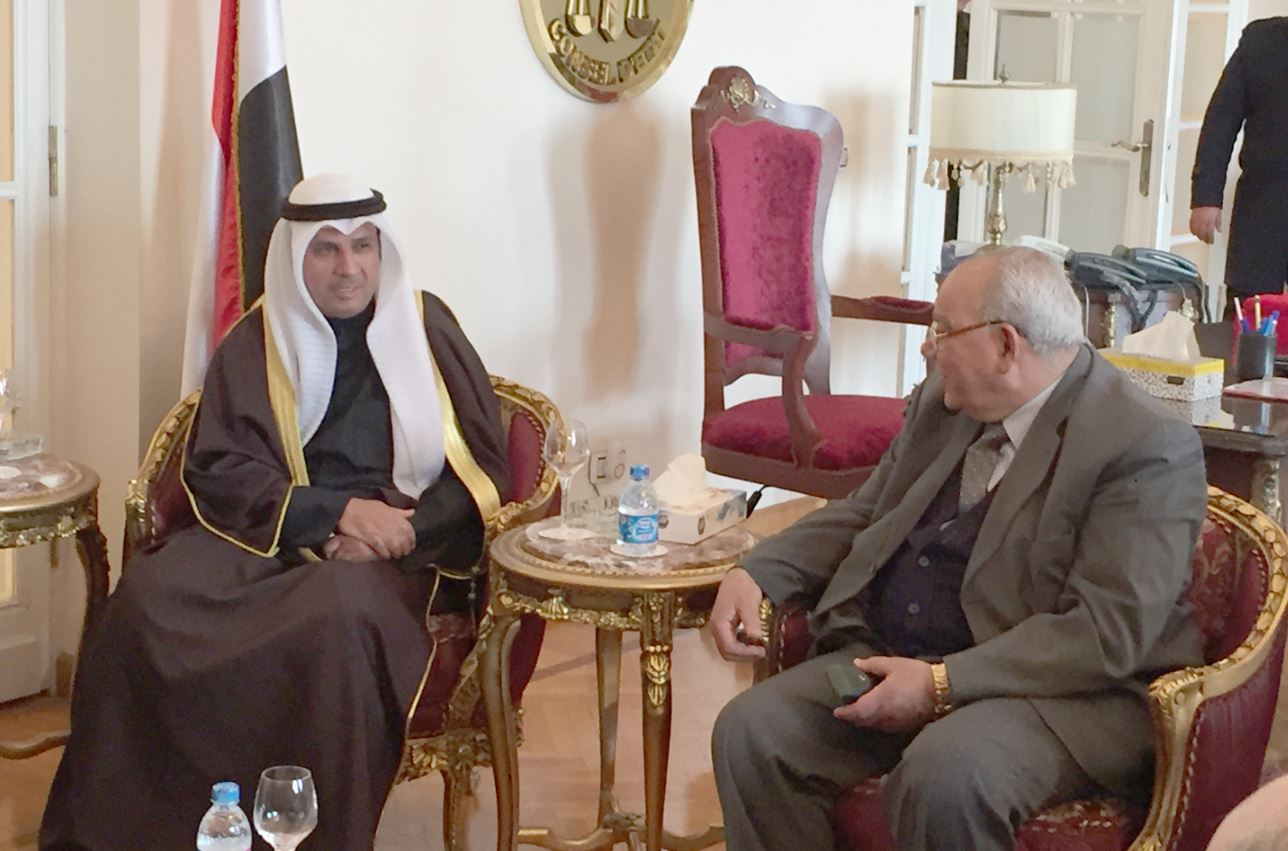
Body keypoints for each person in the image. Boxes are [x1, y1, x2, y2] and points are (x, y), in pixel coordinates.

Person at [39, 174, 509, 850]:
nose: (349, 268)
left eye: (363, 245)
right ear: (294, 257)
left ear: (383, 250)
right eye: (326, 249)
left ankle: (298, 833)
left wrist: (400, 530)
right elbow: (219, 467)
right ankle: (139, 832)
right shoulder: (258, 338)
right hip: (273, 530)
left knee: (338, 619)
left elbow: (485, 470)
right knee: (147, 600)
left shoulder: (427, 327)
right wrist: (336, 513)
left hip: (394, 550)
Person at [709, 247, 1207, 851]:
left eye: (943, 329)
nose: (927, 346)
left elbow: (1107, 631)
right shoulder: (945, 403)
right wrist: (758, 571)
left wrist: (942, 684)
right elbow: (869, 511)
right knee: (753, 731)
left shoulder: (1143, 444)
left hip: (1061, 694)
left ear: (1005, 345)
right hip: (901, 657)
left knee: (947, 776)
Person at [1189, 17, 1288, 303]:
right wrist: (1206, 197)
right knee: (1249, 311)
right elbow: (1221, 120)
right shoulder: (1262, 42)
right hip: (1265, 209)